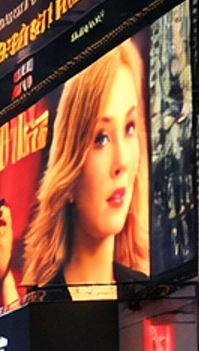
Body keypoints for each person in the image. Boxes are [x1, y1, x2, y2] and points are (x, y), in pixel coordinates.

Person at [20, 41, 148, 297]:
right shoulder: (44, 308)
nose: (122, 161)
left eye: (129, 128)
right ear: (70, 167)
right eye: (101, 138)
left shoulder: (147, 295)